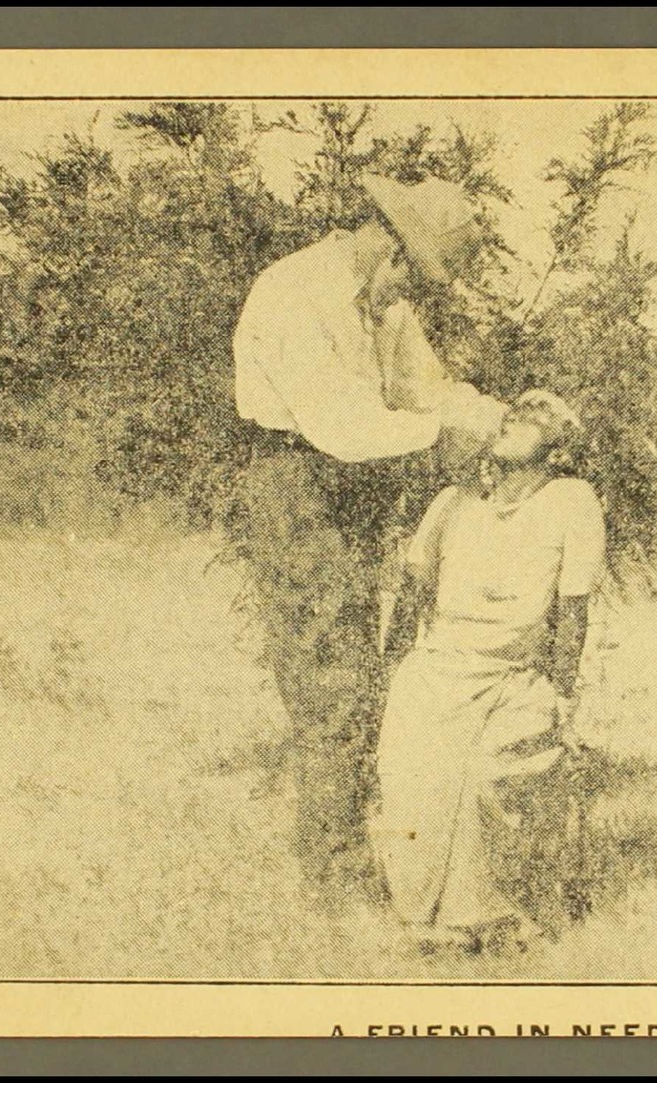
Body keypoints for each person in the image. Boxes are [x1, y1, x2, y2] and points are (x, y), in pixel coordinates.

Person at [231, 173, 507, 903]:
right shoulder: (295, 293)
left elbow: (428, 388)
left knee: (362, 679)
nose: (409, 287)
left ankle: (354, 854)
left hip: (349, 492)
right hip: (296, 485)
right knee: (332, 685)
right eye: (409, 268)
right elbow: (342, 428)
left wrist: (496, 417)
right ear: (383, 239)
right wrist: (447, 435)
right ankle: (336, 881)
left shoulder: (383, 302)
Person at [371, 390, 605, 953]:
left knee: (489, 778)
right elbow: (412, 592)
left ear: (560, 447)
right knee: (414, 783)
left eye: (544, 412)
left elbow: (573, 607)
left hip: (512, 677)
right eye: (518, 408)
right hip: (436, 670)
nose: (524, 413)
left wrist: (560, 689)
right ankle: (424, 922)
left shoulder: (573, 501)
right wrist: (394, 672)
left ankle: (488, 917)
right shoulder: (452, 502)